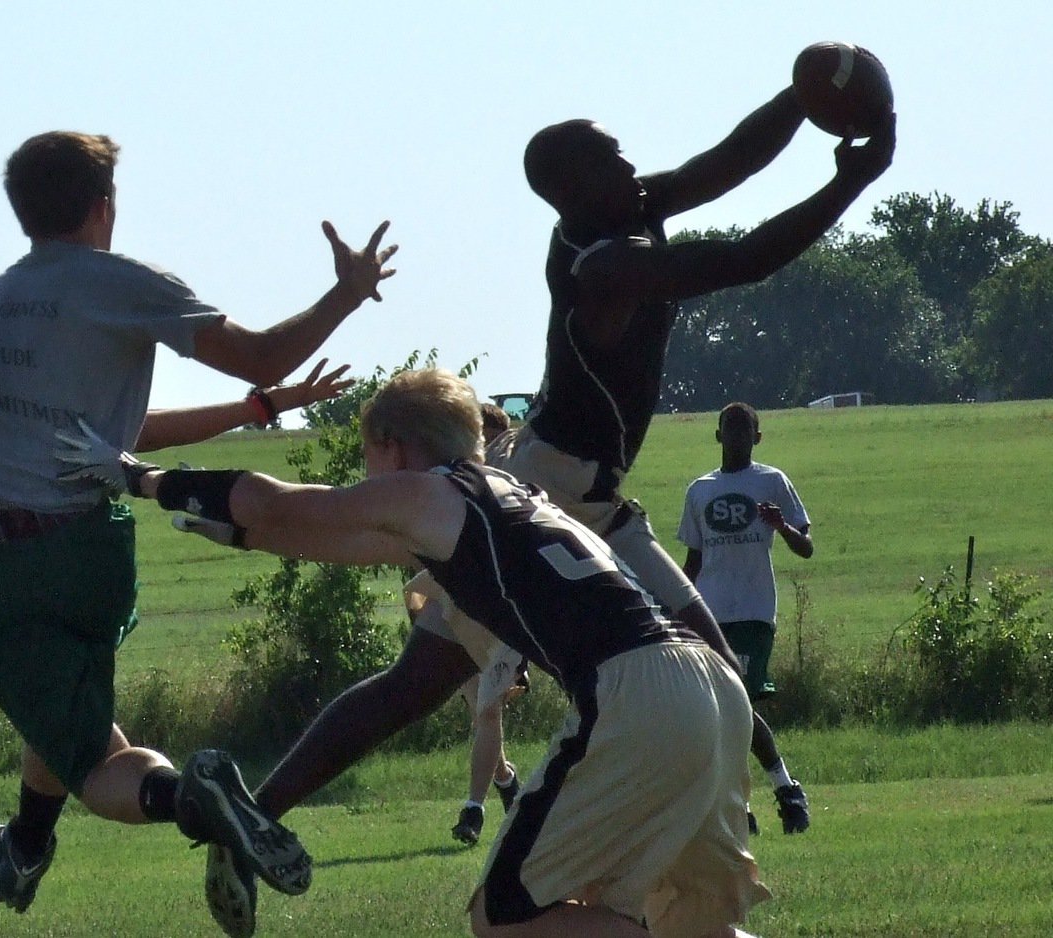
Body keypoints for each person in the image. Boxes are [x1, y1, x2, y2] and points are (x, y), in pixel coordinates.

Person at [217, 82, 896, 832]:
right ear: (572, 189)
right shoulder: (599, 267)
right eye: (612, 157)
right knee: (419, 681)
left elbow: (722, 166)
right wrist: (849, 182)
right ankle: (254, 811)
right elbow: (742, 261)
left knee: (714, 665)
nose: (632, 164)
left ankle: (705, 824)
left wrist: (802, 100)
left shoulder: (623, 209)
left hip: (591, 497)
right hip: (541, 491)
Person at [57, 367, 770, 938]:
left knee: (507, 914)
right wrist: (239, 532)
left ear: (394, 445)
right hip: (707, 684)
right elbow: (323, 535)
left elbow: (277, 503)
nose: (370, 476)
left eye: (371, 457)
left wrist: (137, 477)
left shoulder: (428, 492)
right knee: (689, 920)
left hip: (635, 691)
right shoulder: (505, 491)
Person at [0, 130, 397, 937]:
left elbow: (249, 366)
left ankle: (192, 798)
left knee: (101, 764)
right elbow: (238, 369)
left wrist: (270, 388)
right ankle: (26, 844)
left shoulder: (5, 295)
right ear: (104, 206)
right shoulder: (120, 282)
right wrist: (345, 299)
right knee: (66, 714)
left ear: (23, 211)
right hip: (86, 549)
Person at [678, 402, 815, 835]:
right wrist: (674, 604)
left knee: (740, 706)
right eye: (729, 431)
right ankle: (748, 803)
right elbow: (694, 559)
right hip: (710, 614)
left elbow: (806, 546)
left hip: (755, 610)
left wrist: (783, 527)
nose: (736, 439)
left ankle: (781, 791)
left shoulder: (771, 483)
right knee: (720, 710)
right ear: (718, 436)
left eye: (745, 432)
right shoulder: (700, 490)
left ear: (758, 438)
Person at [447, 401, 524, 845]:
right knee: (482, 712)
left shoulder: (510, 491)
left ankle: (472, 812)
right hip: (462, 619)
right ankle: (508, 784)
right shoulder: (456, 489)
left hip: (502, 620)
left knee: (488, 708)